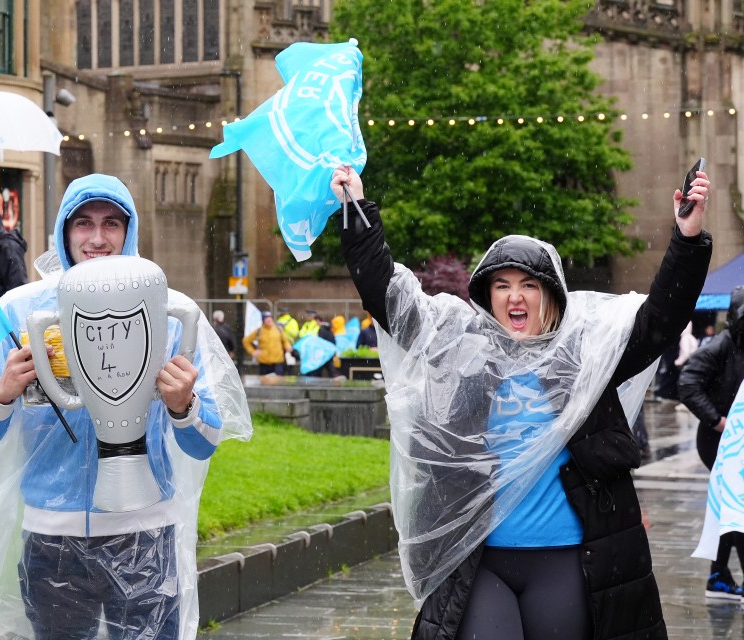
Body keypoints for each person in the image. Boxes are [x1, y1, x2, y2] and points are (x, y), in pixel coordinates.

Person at [330, 164, 711, 640]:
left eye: (529, 285)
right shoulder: (460, 352)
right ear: (487, 296)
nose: (516, 297)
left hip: (568, 561)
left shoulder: (585, 356)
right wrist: (355, 210)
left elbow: (660, 318)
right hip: (479, 562)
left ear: (550, 295)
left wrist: (687, 239)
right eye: (502, 285)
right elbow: (387, 294)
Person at [0, 173, 252, 640]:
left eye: (112, 223)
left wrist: (184, 404)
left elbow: (205, 442)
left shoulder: (171, 313)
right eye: (83, 223)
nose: (97, 238)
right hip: (54, 540)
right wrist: (2, 392)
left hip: (144, 534)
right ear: (63, 232)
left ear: (130, 232)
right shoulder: (19, 312)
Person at [678, 285, 744, 601]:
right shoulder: (720, 347)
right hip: (718, 441)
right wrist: (719, 421)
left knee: (731, 508)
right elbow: (688, 385)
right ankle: (719, 575)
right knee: (736, 508)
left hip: (737, 441)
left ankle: (718, 575)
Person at [242, 310, 291, 375]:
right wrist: (252, 351)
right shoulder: (259, 331)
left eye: (270, 318)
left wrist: (288, 347)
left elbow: (285, 341)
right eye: (266, 318)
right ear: (263, 320)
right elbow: (246, 341)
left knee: (278, 381)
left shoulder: (278, 329)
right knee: (265, 383)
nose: (269, 320)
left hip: (278, 362)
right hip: (264, 363)